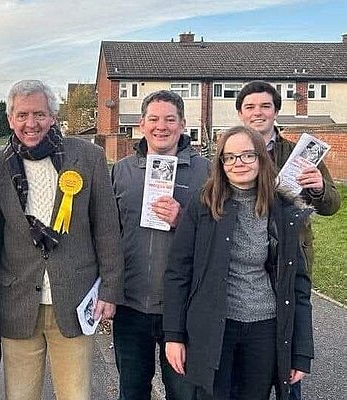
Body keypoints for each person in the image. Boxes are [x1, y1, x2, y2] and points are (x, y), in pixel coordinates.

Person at [0, 79, 123, 400]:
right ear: (10, 118)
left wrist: (111, 290)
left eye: (40, 114)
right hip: (17, 304)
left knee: (75, 395)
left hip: (74, 300)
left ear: (53, 116)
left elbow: (107, 228)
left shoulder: (89, 158)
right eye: (23, 115)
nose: (31, 124)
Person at [163, 126, 314, 400]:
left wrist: (301, 352)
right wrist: (173, 335)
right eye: (230, 157)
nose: (238, 163)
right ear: (220, 164)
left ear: (261, 159)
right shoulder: (204, 206)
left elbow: (299, 285)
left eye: (247, 155)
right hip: (215, 327)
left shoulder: (284, 211)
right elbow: (177, 273)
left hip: (265, 328)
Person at [236, 81, 340, 399]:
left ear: (276, 111)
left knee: (289, 350)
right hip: (244, 262)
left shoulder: (301, 154)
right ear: (240, 113)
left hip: (291, 257)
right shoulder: (232, 152)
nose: (258, 113)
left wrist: (319, 187)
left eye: (265, 106)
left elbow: (333, 204)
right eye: (250, 107)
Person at [112, 90, 210, 400]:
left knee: (182, 393)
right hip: (130, 304)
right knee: (132, 390)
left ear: (183, 124)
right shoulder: (122, 171)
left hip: (182, 308)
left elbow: (219, 236)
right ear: (141, 124)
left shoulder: (205, 172)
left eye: (170, 119)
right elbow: (108, 233)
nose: (161, 126)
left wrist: (184, 219)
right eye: (153, 119)